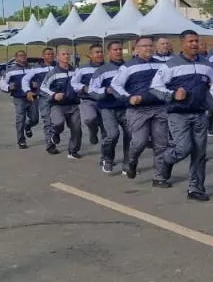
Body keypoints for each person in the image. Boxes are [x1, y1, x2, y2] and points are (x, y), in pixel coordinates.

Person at [152, 30, 213, 201]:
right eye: (190, 41)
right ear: (182, 43)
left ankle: (195, 188)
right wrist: (173, 94)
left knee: (199, 153)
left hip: (200, 114)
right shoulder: (171, 64)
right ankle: (166, 160)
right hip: (178, 114)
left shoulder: (207, 64)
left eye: (196, 41)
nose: (194, 44)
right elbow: (155, 87)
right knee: (183, 148)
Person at [111, 36, 170, 186]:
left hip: (159, 108)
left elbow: (170, 81)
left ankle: (159, 177)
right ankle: (131, 160)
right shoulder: (128, 67)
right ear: (136, 49)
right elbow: (116, 86)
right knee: (140, 142)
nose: (148, 48)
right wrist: (128, 98)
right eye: (144, 46)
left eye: (150, 45)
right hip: (138, 110)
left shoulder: (162, 65)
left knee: (161, 144)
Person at [89, 41, 131, 174]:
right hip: (108, 108)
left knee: (130, 136)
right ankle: (107, 158)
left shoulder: (129, 67)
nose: (118, 51)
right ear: (109, 52)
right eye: (115, 49)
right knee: (112, 134)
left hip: (126, 107)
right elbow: (92, 90)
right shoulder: (101, 70)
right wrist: (105, 91)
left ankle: (128, 164)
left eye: (120, 49)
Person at [40, 48, 83, 158]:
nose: (66, 56)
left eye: (68, 54)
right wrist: (54, 95)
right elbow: (43, 88)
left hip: (73, 104)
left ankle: (73, 151)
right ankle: (55, 134)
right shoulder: (53, 72)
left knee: (76, 128)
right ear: (58, 57)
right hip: (58, 105)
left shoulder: (76, 71)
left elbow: (81, 83)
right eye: (63, 54)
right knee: (58, 123)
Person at [21, 47, 56, 149]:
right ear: (43, 56)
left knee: (57, 122)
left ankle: (54, 137)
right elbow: (25, 80)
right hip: (43, 98)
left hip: (57, 98)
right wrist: (28, 91)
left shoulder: (58, 67)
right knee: (47, 121)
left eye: (52, 54)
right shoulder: (36, 68)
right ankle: (50, 143)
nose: (50, 56)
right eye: (48, 54)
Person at [73, 44, 106, 145]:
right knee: (90, 119)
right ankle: (93, 131)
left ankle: (106, 155)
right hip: (88, 100)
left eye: (101, 52)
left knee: (106, 129)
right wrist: (83, 87)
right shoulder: (82, 68)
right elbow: (74, 83)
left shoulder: (108, 67)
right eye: (97, 52)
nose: (100, 54)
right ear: (90, 55)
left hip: (105, 101)